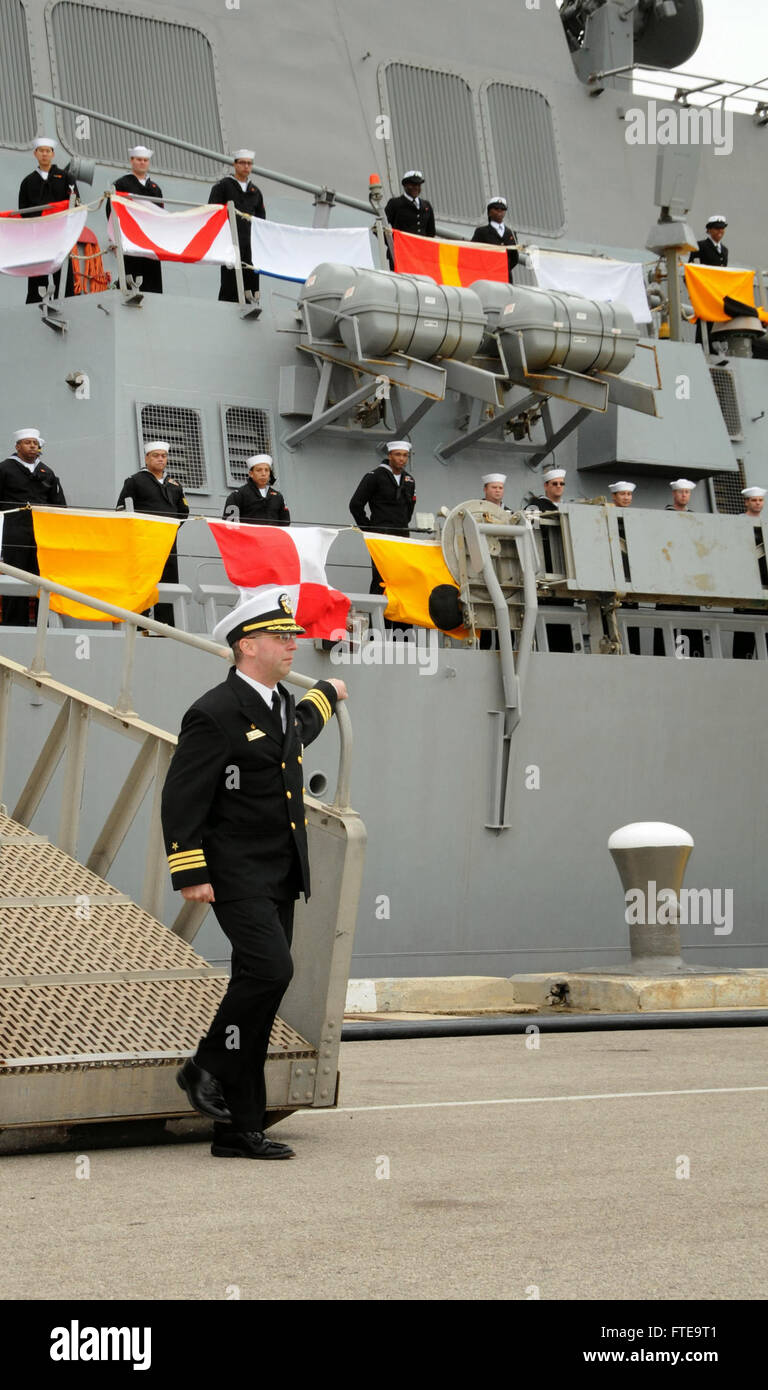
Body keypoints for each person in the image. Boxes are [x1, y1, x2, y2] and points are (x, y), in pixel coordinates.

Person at [161, 588, 347, 1159]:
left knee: (264, 996)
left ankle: (238, 1128)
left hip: (280, 870)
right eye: (281, 637)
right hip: (234, 869)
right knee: (270, 970)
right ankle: (204, 1067)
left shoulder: (281, 704)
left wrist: (323, 696)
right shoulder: (213, 712)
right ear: (247, 646)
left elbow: (291, 741)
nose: (293, 644)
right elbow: (181, 795)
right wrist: (189, 868)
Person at [115, 441, 189, 626]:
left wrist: (168, 529)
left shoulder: (174, 484)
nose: (160, 459)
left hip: (167, 541)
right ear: (147, 458)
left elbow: (183, 511)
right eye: (156, 455)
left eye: (163, 456)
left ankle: (166, 625)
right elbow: (122, 509)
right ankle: (140, 625)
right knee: (144, 582)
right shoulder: (135, 481)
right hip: (144, 543)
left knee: (168, 581)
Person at [0, 427, 67, 626]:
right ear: (18, 446)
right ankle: (14, 625)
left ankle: (43, 624)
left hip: (42, 533)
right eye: (28, 442)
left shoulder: (47, 472)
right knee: (16, 577)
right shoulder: (5, 469)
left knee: (42, 578)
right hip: (15, 531)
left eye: (35, 443)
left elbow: (58, 504)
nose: (32, 446)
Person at [350, 440, 416, 608]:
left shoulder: (409, 480)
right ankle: (377, 628)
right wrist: (369, 529)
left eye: (405, 455)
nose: (402, 459)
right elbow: (356, 504)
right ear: (389, 456)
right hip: (381, 536)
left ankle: (402, 629)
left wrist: (401, 525)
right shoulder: (375, 476)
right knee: (381, 579)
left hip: (402, 536)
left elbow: (409, 509)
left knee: (402, 580)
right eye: (398, 455)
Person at [18, 138, 79, 304]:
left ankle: (68, 303)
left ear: (52, 154)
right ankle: (36, 303)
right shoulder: (28, 182)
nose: (44, 154)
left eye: (48, 151)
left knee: (64, 274)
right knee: (37, 274)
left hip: (60, 234)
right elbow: (23, 211)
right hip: (38, 236)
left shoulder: (67, 178)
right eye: (41, 151)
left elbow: (75, 204)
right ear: (35, 154)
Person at [209, 149, 265, 302]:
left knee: (250, 276)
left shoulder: (256, 192)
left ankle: (252, 301)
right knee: (230, 279)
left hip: (250, 244)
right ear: (235, 165)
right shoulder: (223, 186)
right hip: (230, 241)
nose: (246, 166)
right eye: (242, 163)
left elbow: (261, 220)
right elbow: (213, 212)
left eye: (249, 163)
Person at [111, 146, 164, 294]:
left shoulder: (155, 188)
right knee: (132, 272)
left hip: (150, 240)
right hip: (131, 238)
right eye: (139, 160)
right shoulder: (121, 184)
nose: (142, 163)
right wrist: (116, 238)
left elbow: (160, 213)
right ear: (132, 161)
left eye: (145, 160)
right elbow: (113, 212)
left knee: (152, 278)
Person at [384, 171, 435, 267]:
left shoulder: (426, 205)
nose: (416, 187)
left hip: (421, 257)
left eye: (418, 185)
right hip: (400, 255)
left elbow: (431, 232)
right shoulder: (395, 203)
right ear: (405, 185)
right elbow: (379, 228)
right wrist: (393, 245)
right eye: (413, 184)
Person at [223, 455, 290, 525]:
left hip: (272, 535)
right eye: (259, 470)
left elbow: (285, 522)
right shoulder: (238, 495)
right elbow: (230, 524)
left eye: (266, 470)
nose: (263, 474)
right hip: (248, 535)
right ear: (251, 474)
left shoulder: (278, 496)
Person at [471, 197, 519, 282]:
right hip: (488, 279)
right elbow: (473, 254)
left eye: (503, 209)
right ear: (489, 212)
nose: (500, 211)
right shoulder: (481, 232)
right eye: (496, 208)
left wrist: (503, 270)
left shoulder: (511, 233)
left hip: (506, 279)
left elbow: (514, 258)